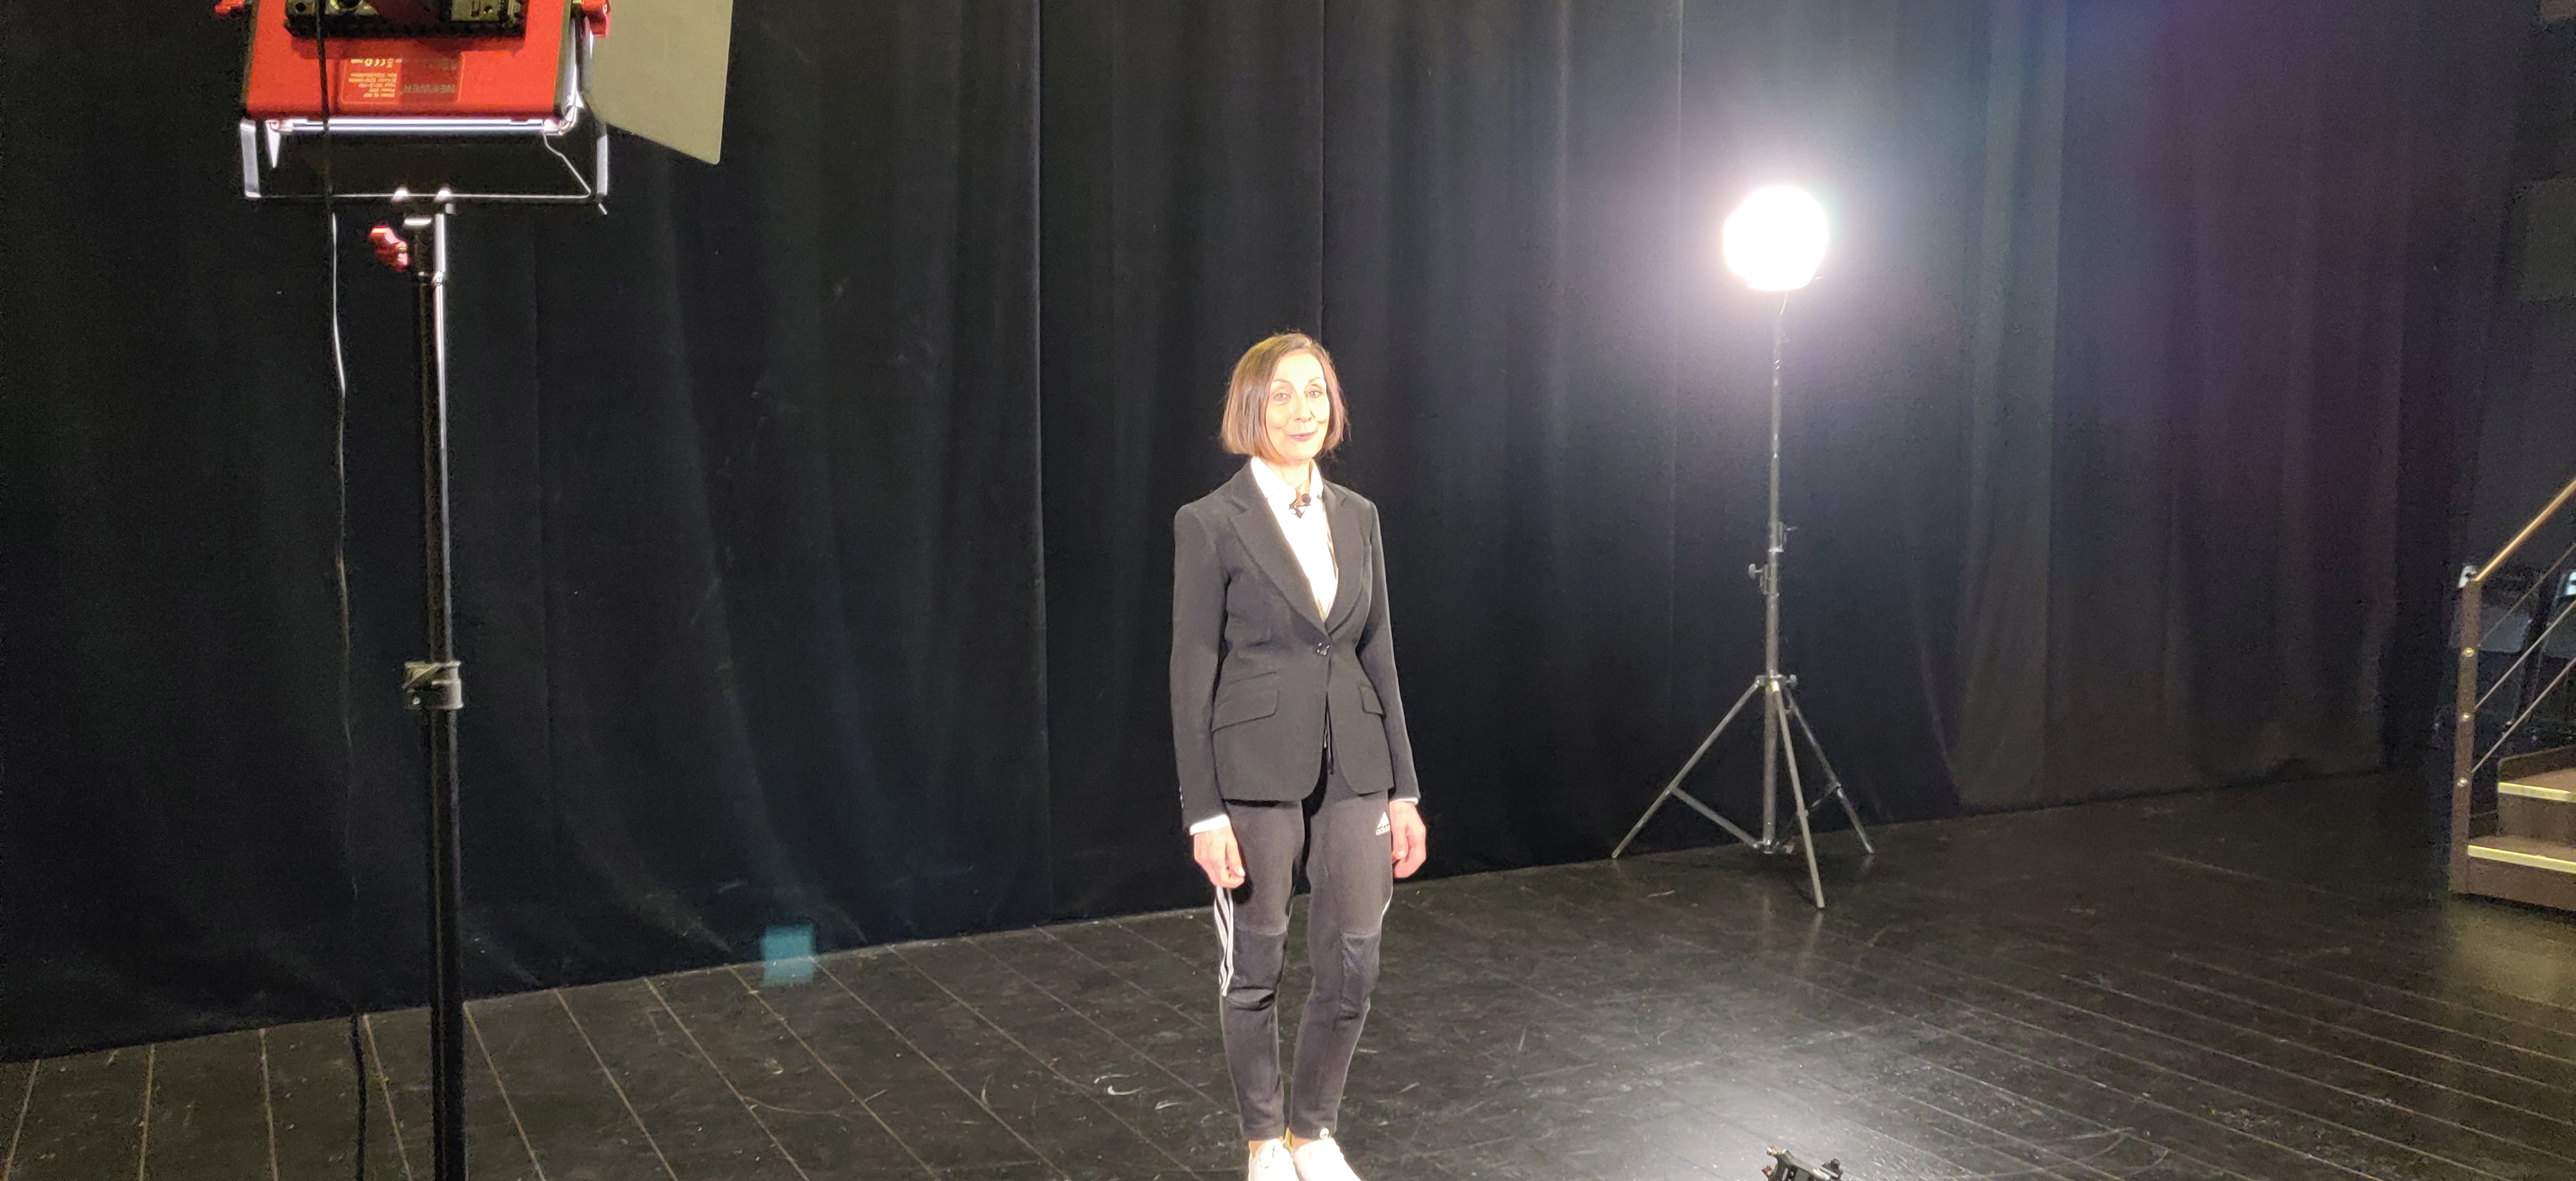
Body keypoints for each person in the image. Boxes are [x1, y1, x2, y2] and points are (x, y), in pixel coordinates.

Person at [1171, 332, 1428, 1181]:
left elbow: (1379, 653)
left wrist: (1404, 791)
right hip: (1253, 775)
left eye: (1315, 392)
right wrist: (1204, 812)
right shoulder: (1210, 522)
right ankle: (1263, 1141)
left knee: (1355, 961)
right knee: (1257, 963)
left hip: (1356, 768)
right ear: (1252, 409)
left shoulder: (1360, 515)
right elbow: (1191, 671)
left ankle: (1313, 1133)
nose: (1302, 409)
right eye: (1281, 394)